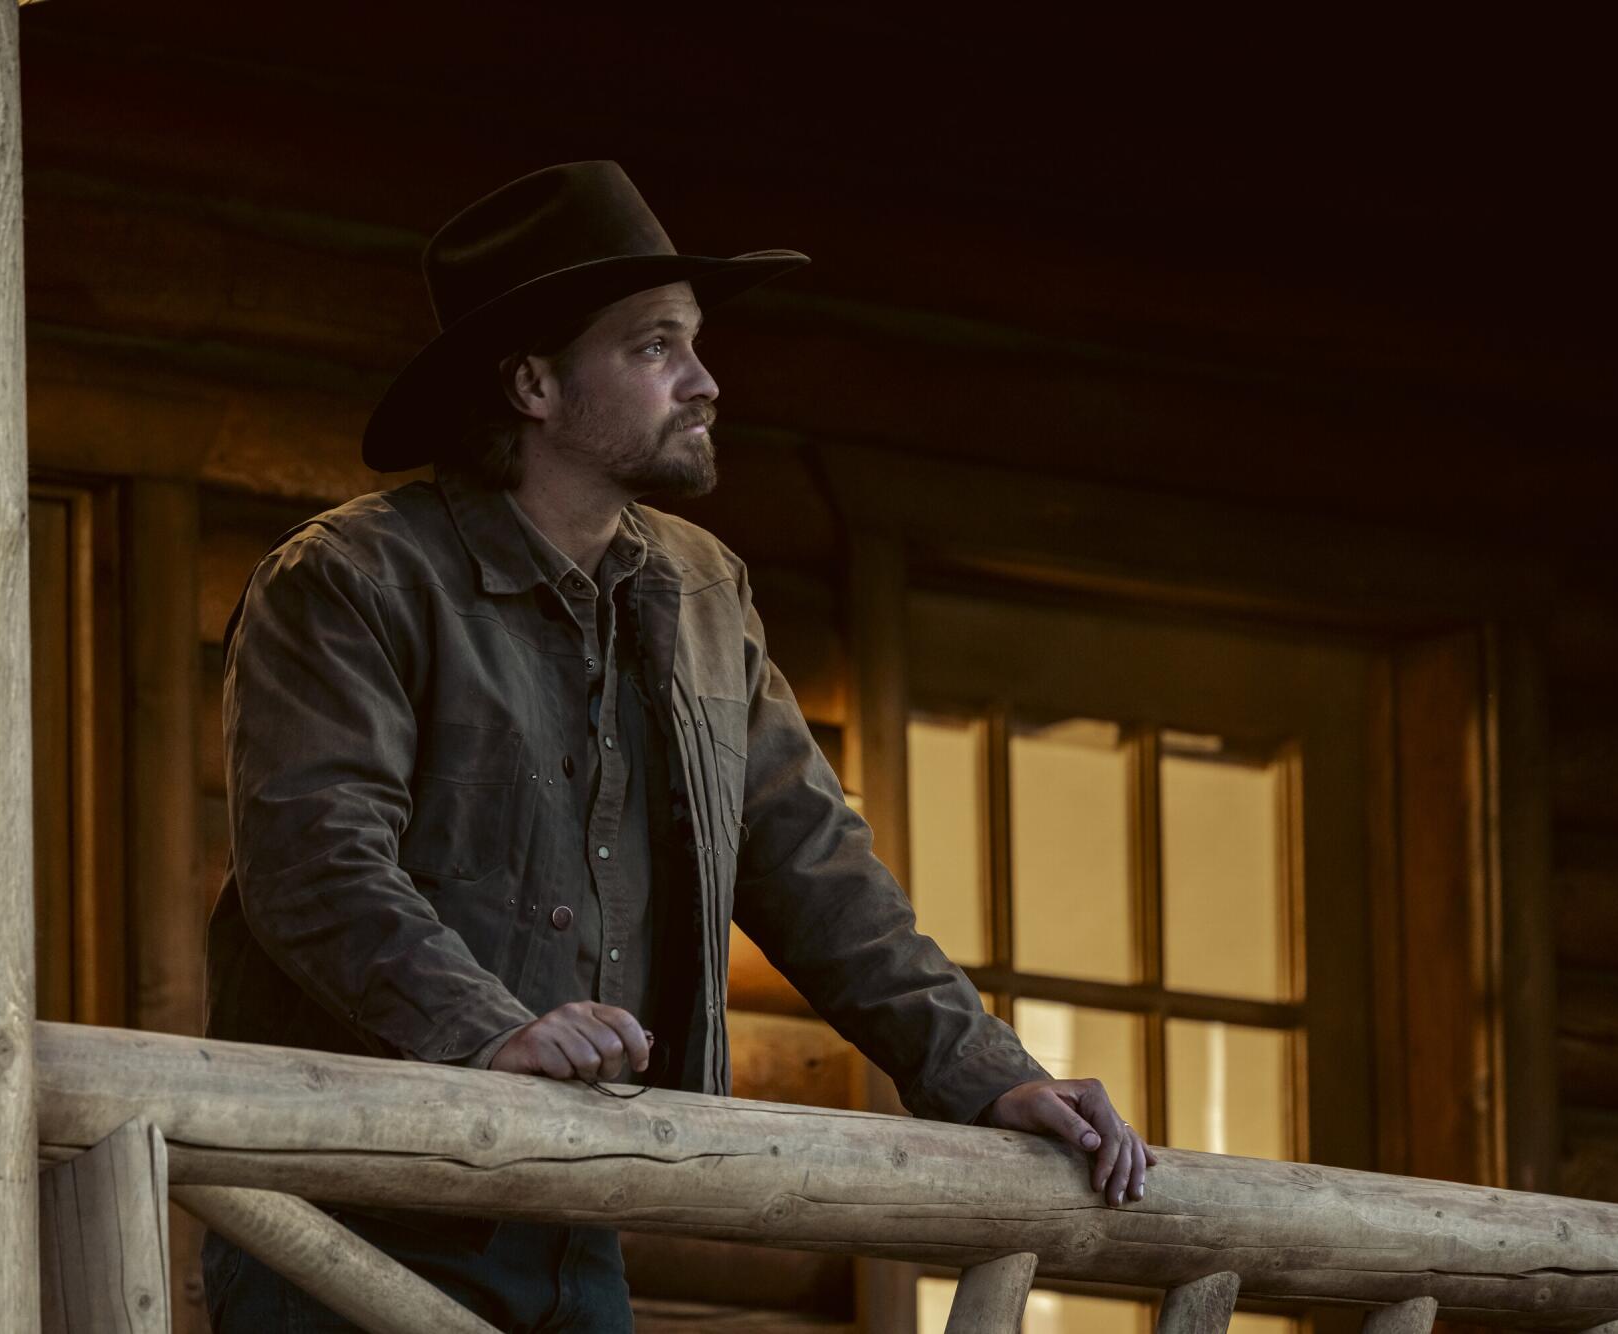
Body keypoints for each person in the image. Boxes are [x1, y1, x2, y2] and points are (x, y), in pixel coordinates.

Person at [201, 160, 1154, 1333]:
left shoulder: (704, 592)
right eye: (655, 346)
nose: (703, 381)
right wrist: (489, 1028)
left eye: (694, 343)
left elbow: (814, 865)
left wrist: (986, 1071)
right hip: (345, 1216)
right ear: (533, 382)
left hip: (577, 1221)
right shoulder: (350, 579)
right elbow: (315, 862)